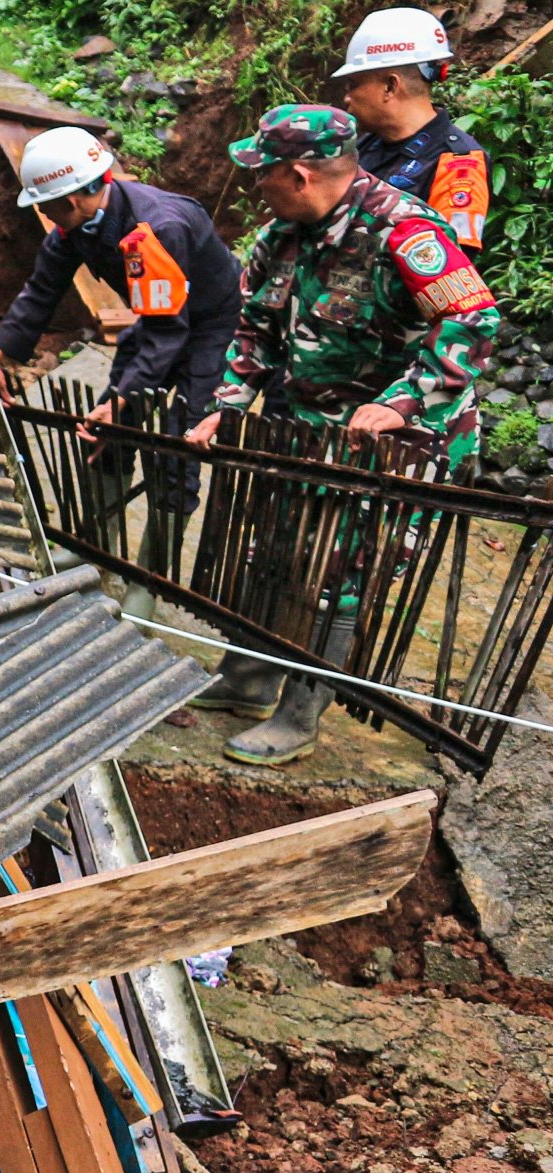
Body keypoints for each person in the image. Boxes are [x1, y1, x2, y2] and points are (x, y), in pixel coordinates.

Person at [186, 103, 502, 765]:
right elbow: (254, 335)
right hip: (310, 423)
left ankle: (300, 716)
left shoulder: (405, 230)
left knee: (344, 572)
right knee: (274, 550)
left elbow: (473, 321)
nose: (254, 184)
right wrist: (227, 405)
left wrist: (402, 402)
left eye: (262, 173)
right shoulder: (281, 235)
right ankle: (245, 681)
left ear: (300, 175)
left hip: (403, 435)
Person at [0, 127, 243, 517]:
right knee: (103, 430)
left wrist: (124, 397)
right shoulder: (76, 226)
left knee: (177, 441)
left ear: (70, 199)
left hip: (211, 327)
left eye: (43, 205)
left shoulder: (157, 229)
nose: (41, 212)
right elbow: (42, 288)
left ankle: (150, 570)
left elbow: (167, 330)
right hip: (159, 319)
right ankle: (99, 542)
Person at [333, 6, 489, 249]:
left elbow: (451, 260)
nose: (347, 98)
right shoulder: (362, 147)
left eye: (352, 85)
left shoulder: (458, 162)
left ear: (390, 86)